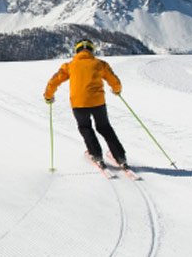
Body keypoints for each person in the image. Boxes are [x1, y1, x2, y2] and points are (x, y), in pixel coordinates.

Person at [43, 39, 128, 169]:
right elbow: (113, 79)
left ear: (77, 51)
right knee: (105, 128)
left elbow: (54, 81)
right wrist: (117, 90)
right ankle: (120, 157)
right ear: (91, 50)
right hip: (98, 102)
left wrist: (48, 96)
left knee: (85, 128)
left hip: (79, 104)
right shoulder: (100, 64)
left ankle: (96, 155)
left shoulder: (69, 65)